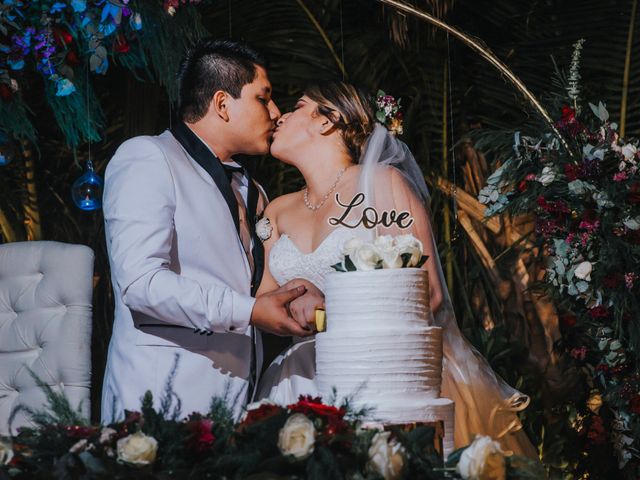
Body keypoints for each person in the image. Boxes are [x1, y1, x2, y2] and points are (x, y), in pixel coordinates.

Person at [255, 81, 538, 458]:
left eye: (298, 106)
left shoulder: (383, 184)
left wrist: (327, 307)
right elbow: (263, 302)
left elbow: (429, 293)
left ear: (329, 121)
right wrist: (294, 302)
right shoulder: (276, 210)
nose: (281, 116)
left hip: (384, 370)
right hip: (299, 379)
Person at [101, 38, 319, 424]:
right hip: (158, 404)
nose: (275, 111)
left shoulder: (254, 191)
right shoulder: (148, 157)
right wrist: (250, 310)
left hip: (236, 405)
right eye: (263, 98)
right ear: (222, 104)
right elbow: (140, 284)